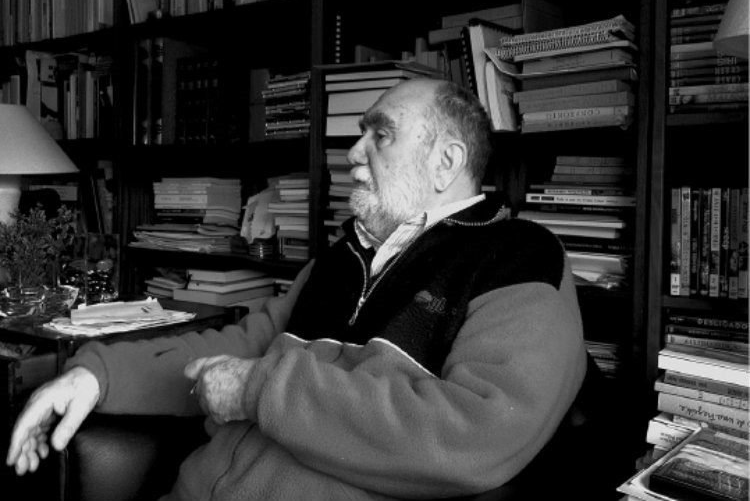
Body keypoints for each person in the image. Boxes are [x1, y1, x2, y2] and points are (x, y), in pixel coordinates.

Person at [6, 78, 590, 500]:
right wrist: (95, 376)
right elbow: (241, 346)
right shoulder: (339, 260)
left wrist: (258, 391)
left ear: (447, 161)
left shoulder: (517, 257)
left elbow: (478, 430)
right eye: (360, 134)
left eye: (380, 135)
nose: (353, 153)